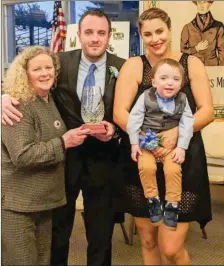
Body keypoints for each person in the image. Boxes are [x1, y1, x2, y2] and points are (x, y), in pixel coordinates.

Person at [1, 9, 125, 266]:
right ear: (78, 35)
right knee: (56, 237)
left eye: (101, 33)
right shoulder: (58, 62)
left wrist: (115, 129)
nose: (94, 38)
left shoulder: (122, 68)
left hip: (104, 163)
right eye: (88, 32)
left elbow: (134, 111)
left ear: (109, 36)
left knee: (101, 238)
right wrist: (3, 97)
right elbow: (27, 81)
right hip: (62, 164)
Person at [114, 7, 214, 265]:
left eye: (160, 31)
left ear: (169, 31)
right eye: (148, 34)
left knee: (170, 248)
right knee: (147, 240)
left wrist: (175, 134)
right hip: (143, 162)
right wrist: (152, 140)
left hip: (183, 160)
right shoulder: (134, 66)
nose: (155, 38)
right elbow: (120, 114)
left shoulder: (191, 63)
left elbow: (207, 111)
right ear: (141, 35)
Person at [1, 46, 90, 265]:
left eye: (48, 67)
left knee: (42, 260)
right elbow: (22, 155)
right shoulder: (17, 104)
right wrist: (63, 142)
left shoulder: (48, 100)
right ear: (25, 73)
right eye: (37, 69)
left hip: (44, 201)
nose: (44, 73)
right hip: (19, 204)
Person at [127, 58, 194, 230]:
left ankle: (172, 204)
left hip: (172, 146)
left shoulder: (183, 99)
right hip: (146, 142)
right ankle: (153, 200)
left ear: (181, 84)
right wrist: (134, 144)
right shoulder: (146, 96)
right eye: (164, 78)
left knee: (173, 169)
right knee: (146, 167)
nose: (170, 83)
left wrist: (181, 147)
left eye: (176, 79)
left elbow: (187, 125)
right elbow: (133, 120)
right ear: (154, 81)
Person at [181, 1, 224, 66]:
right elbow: (182, 49)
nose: (201, 5)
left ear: (210, 4)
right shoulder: (187, 27)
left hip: (213, 67)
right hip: (194, 67)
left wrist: (220, 70)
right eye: (199, 2)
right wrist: (196, 48)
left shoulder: (218, 26)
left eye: (204, 2)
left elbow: (222, 51)